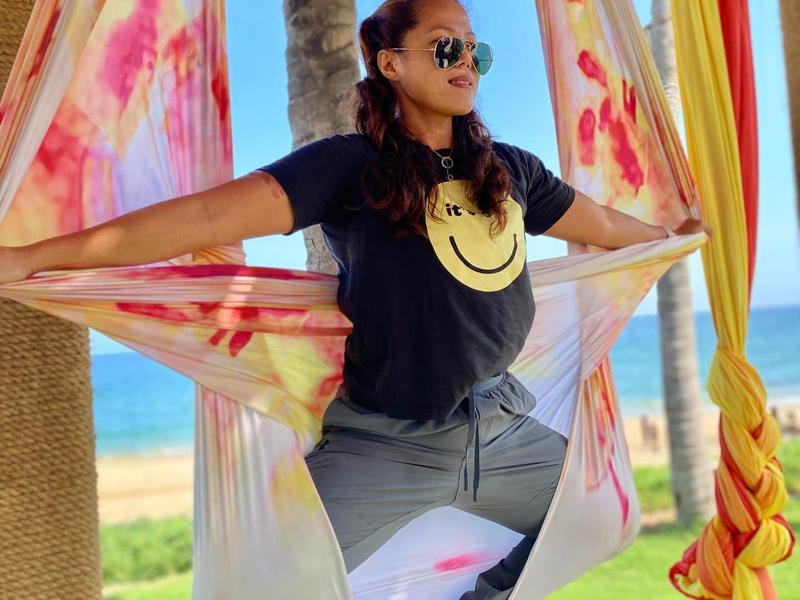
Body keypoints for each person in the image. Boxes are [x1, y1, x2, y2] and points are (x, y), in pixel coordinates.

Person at [0, 0, 711, 597]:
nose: (467, 61)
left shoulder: (511, 171)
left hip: (501, 432)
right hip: (386, 444)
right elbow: (207, 216)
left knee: (599, 518)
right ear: (390, 63)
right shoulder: (351, 166)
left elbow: (605, 226)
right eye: (447, 46)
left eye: (476, 50)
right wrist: (32, 257)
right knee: (273, 586)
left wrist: (672, 236)